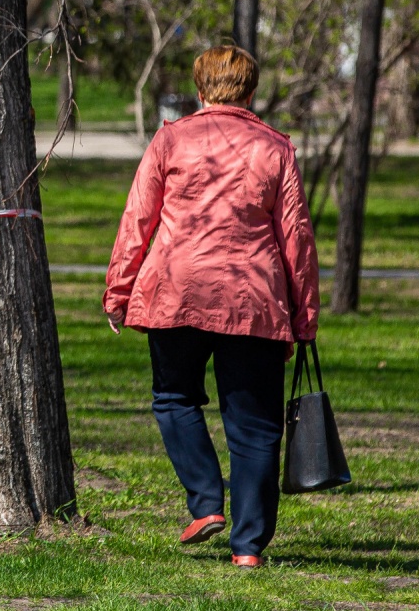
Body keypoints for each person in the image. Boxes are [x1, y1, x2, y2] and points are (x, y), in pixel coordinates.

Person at [103, 45, 320, 569]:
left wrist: (118, 290)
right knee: (256, 427)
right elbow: (297, 239)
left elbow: (139, 220)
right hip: (253, 300)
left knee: (174, 398)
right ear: (251, 91)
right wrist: (305, 316)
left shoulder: (170, 139)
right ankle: (247, 548)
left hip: (177, 291)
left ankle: (205, 502)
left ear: (200, 90)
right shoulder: (276, 148)